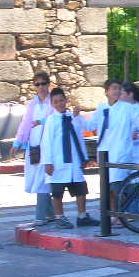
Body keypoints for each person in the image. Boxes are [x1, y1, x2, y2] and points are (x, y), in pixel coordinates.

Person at [41, 87, 99, 229]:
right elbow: (46, 142)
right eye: (56, 101)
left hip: (73, 162)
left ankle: (82, 216)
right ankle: (60, 217)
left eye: (62, 100)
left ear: (66, 101)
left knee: (81, 189)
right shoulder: (51, 121)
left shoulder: (72, 118)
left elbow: (79, 138)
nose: (60, 103)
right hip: (58, 161)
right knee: (57, 192)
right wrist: (48, 162)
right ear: (52, 104)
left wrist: (83, 158)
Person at [10, 71, 54, 226]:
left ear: (48, 84)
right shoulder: (32, 105)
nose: (41, 87)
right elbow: (25, 124)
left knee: (42, 181)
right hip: (34, 148)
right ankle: (52, 214)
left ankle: (40, 217)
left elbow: (56, 117)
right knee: (38, 180)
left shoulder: (53, 101)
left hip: (49, 148)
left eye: (43, 83)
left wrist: (41, 121)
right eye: (37, 84)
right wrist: (17, 143)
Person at [121, 82, 139, 165]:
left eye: (122, 93)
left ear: (130, 94)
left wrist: (132, 136)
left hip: (136, 151)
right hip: (123, 151)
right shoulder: (120, 111)